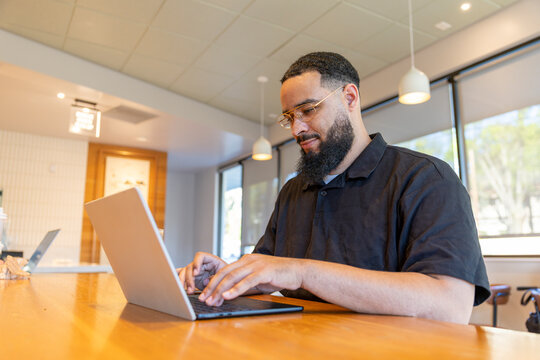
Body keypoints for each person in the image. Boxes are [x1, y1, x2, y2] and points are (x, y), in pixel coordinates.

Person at [178, 52, 490, 324]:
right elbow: (270, 270)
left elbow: (450, 307)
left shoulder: (425, 178)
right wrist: (227, 277)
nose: (297, 128)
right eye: (290, 117)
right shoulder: (293, 192)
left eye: (309, 109)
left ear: (350, 98)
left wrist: (301, 272)